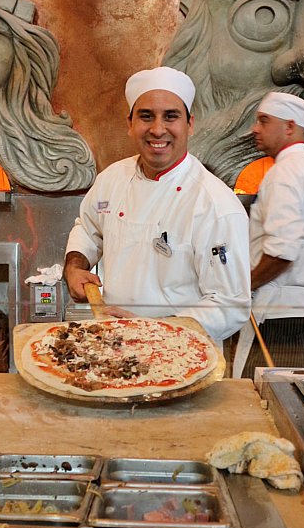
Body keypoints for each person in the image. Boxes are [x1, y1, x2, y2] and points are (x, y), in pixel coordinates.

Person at [64, 66, 251, 347]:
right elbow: (89, 229)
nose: (157, 129)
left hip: (181, 352)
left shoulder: (215, 203)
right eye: (146, 116)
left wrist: (155, 333)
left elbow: (230, 304)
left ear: (190, 124)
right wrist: (74, 266)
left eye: (171, 116)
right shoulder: (112, 179)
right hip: (113, 343)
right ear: (130, 123)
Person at [233, 91, 304, 378]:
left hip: (285, 318)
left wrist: (244, 288)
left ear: (289, 127)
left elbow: (283, 252)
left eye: (263, 121)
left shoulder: (284, 174)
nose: (255, 129)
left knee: (264, 405)